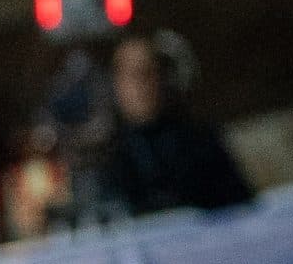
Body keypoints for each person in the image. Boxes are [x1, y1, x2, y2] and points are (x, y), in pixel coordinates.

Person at [100, 29, 253, 219]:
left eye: (149, 71)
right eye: (131, 74)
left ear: (164, 78)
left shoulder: (202, 142)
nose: (141, 84)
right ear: (117, 85)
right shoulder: (108, 160)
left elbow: (241, 208)